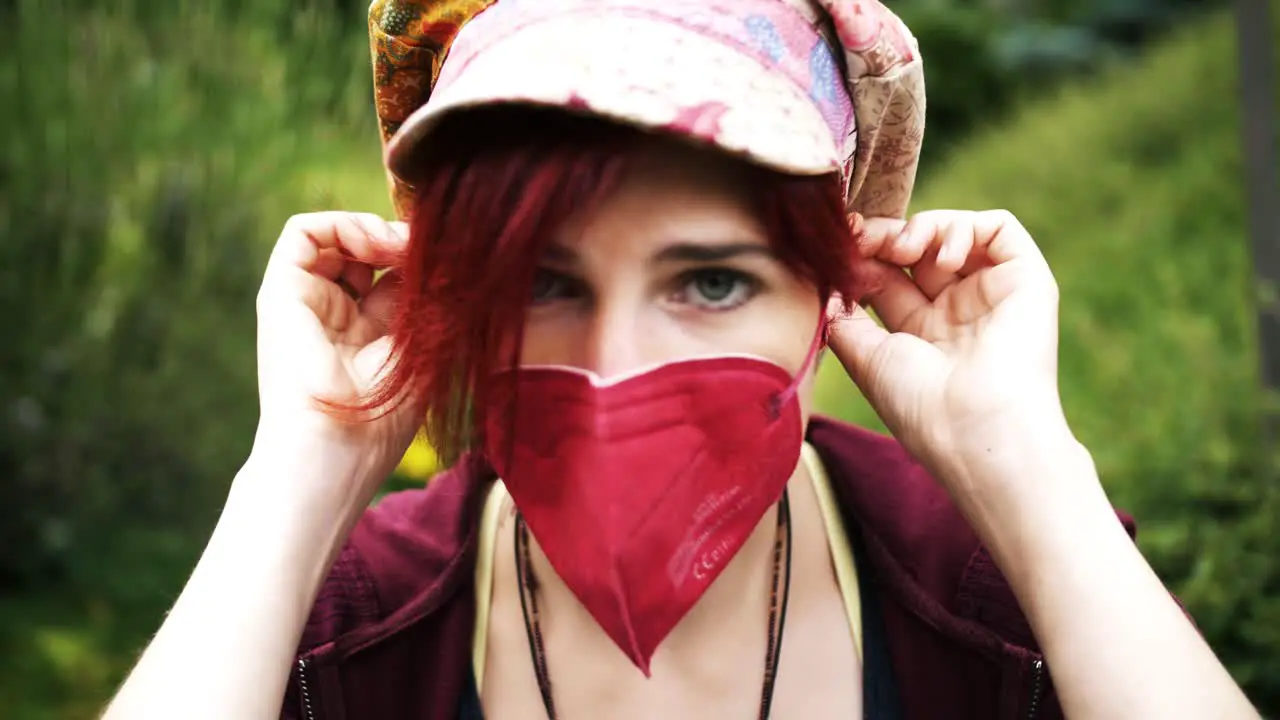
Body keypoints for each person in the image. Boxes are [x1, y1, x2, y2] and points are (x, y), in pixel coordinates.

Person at [104, 0, 1259, 718]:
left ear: (830, 290)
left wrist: (1025, 471)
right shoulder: (349, 619)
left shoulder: (987, 585)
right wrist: (293, 485)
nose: (612, 369)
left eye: (710, 281)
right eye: (543, 283)